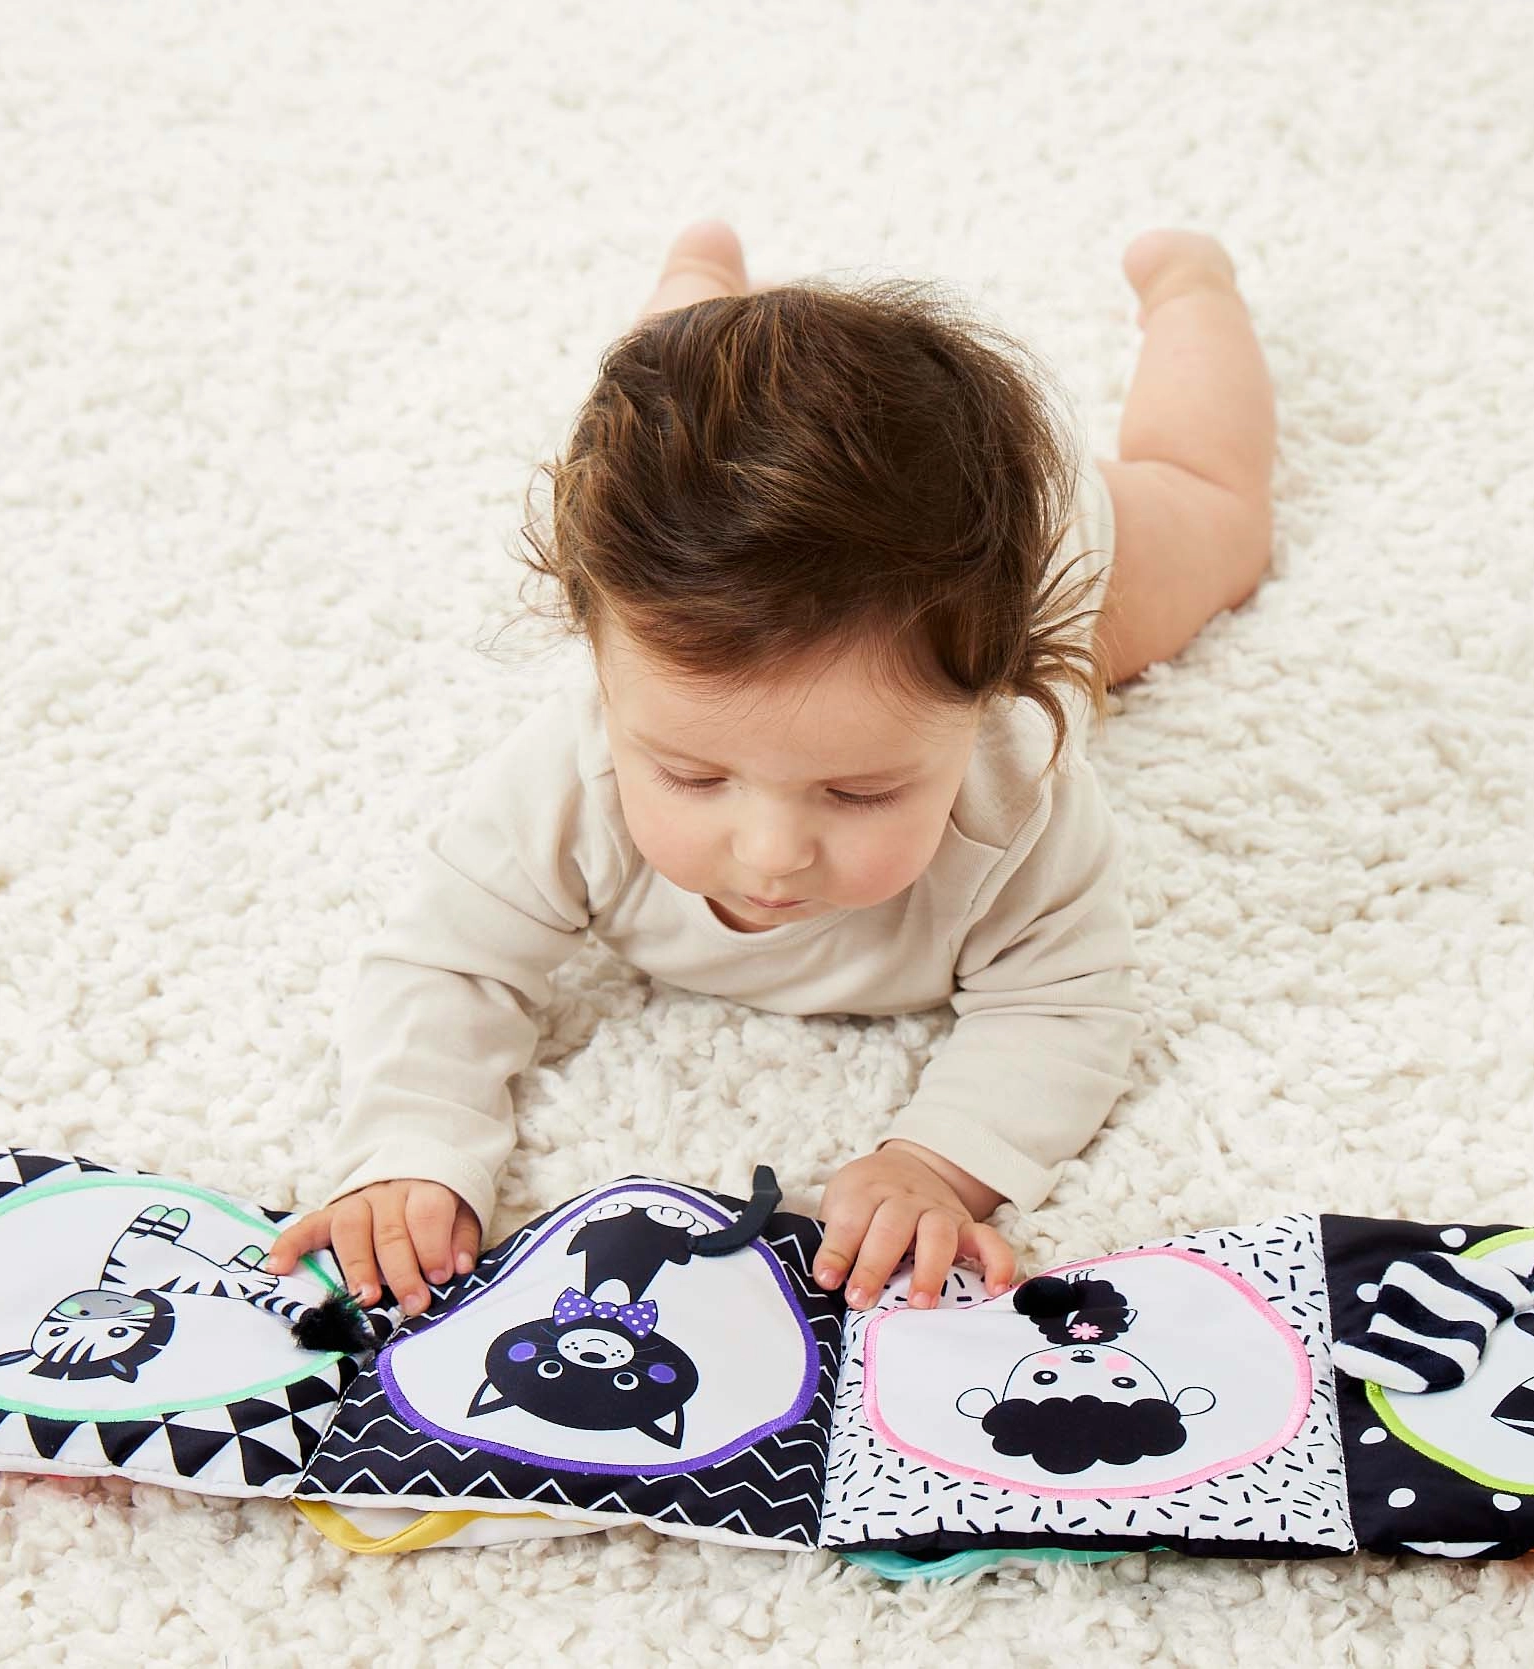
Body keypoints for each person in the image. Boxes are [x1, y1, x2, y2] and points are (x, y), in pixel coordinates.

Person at [266, 220, 1276, 1321]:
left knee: (1219, 515)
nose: (771, 852)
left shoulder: (1021, 799)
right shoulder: (565, 776)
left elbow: (1065, 1007)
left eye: (859, 792)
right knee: (652, 432)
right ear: (601, 666)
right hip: (697, 539)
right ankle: (698, 288)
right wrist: (411, 1145)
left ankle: (1190, 286)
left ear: (992, 691)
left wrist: (936, 1163)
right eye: (692, 777)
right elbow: (446, 963)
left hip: (1031, 540)